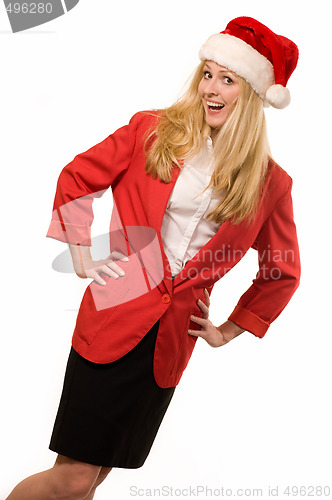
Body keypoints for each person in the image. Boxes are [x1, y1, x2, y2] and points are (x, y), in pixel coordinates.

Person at [5, 16, 301, 500]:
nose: (211, 88)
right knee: (73, 476)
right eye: (207, 74)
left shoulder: (271, 182)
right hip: (114, 317)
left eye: (227, 79)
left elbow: (283, 269)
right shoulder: (152, 130)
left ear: (250, 95)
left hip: (170, 344)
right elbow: (78, 176)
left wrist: (230, 328)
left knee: (95, 478)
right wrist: (80, 249)